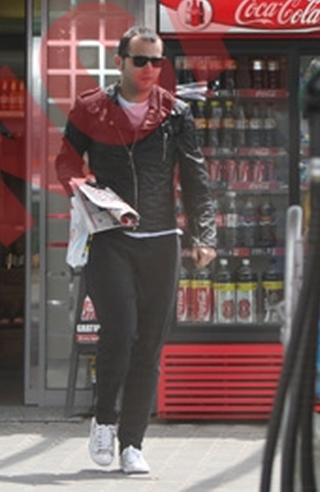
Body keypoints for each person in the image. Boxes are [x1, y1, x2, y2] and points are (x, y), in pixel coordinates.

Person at [56, 25, 217, 475]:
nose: (149, 69)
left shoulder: (175, 113)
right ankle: (104, 420)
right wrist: (83, 190)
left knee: (149, 344)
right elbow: (66, 160)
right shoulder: (91, 107)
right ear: (120, 61)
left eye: (156, 61)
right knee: (120, 333)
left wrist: (204, 235)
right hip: (110, 237)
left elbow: (196, 177)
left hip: (161, 240)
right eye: (140, 60)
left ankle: (132, 444)